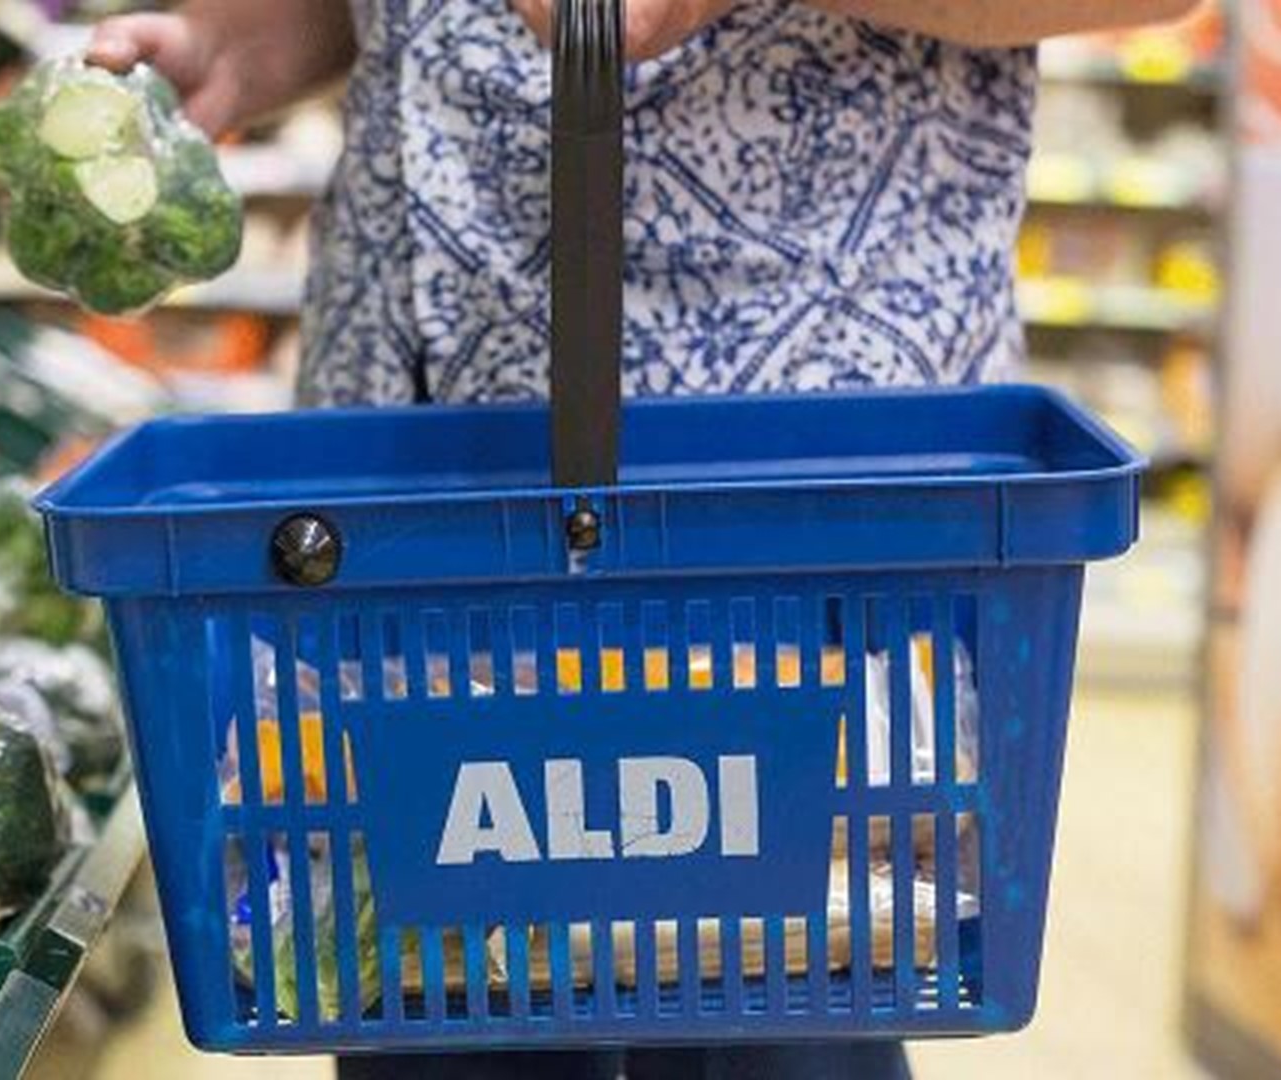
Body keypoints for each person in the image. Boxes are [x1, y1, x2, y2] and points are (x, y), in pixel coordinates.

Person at [91, 1, 1195, 1076]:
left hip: (786, 467)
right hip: (401, 482)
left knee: (776, 979)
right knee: (421, 985)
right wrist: (234, 42)